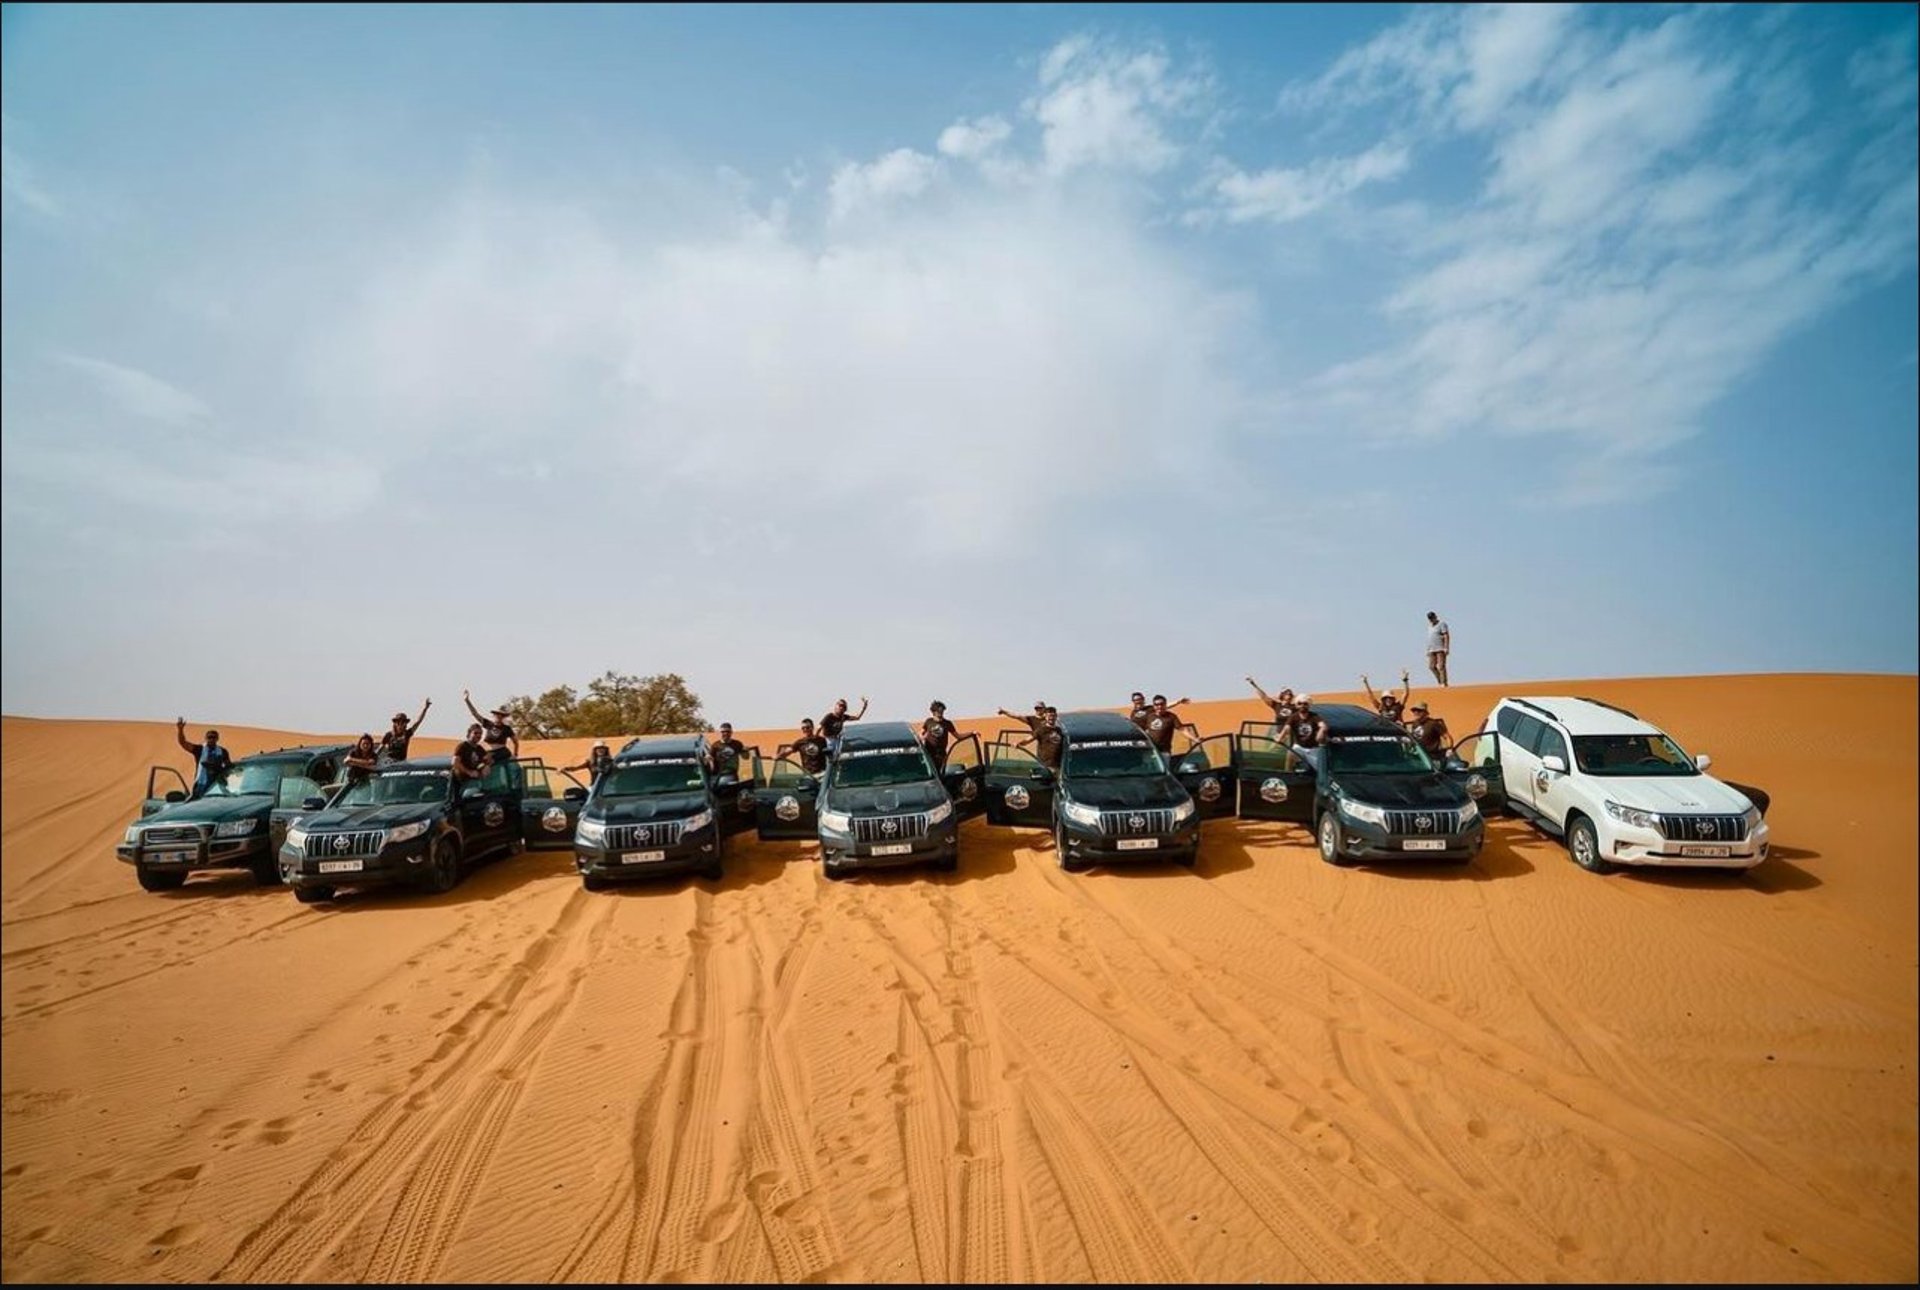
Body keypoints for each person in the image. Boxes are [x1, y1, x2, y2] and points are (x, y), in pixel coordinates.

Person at [175, 719, 234, 800]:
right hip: (200, 784)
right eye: (209, 737)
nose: (211, 739)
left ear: (217, 738)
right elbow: (183, 743)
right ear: (206, 738)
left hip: (216, 786)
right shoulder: (199, 749)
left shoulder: (222, 751)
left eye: (213, 737)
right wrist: (180, 730)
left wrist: (217, 767)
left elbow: (228, 767)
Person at [463, 689, 520, 766]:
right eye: (496, 714)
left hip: (501, 752)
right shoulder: (488, 724)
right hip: (487, 752)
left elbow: (516, 742)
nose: (498, 716)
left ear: (503, 717)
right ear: (494, 715)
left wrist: (515, 754)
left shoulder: (507, 728)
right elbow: (475, 714)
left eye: (501, 715)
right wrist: (467, 701)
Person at [378, 699, 432, 763]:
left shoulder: (407, 734)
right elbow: (380, 748)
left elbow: (418, 722)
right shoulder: (389, 735)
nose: (400, 725)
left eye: (403, 722)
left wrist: (425, 709)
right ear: (395, 724)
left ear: (405, 724)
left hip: (402, 763)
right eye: (398, 722)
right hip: (389, 763)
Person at [920, 701, 961, 769]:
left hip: (941, 755)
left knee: (942, 772)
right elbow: (920, 734)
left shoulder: (947, 723)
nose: (941, 712)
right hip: (929, 754)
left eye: (942, 710)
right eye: (939, 711)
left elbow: (958, 736)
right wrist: (923, 737)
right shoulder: (928, 721)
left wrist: (972, 733)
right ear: (933, 712)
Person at [451, 724, 489, 789]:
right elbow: (454, 762)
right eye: (475, 733)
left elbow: (487, 760)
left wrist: (484, 767)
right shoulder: (462, 746)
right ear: (469, 733)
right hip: (462, 783)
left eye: (480, 734)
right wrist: (469, 772)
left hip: (475, 782)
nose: (478, 735)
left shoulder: (480, 749)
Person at [1032, 706, 1065, 770]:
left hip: (1059, 766)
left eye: (1053, 716)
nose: (1051, 718)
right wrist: (1018, 744)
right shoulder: (1041, 730)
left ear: (1056, 716)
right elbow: (1029, 739)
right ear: (1045, 717)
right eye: (1049, 716)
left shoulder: (1059, 730)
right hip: (1045, 766)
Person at [1425, 611, 1451, 688]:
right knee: (1431, 666)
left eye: (1432, 617)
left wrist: (1446, 647)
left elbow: (1446, 636)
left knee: (1441, 666)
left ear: (1435, 616)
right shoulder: (1429, 627)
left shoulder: (1442, 624)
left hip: (1440, 648)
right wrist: (1427, 649)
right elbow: (1430, 638)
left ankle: (1444, 683)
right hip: (1431, 649)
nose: (1431, 619)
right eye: (1430, 618)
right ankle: (1440, 680)